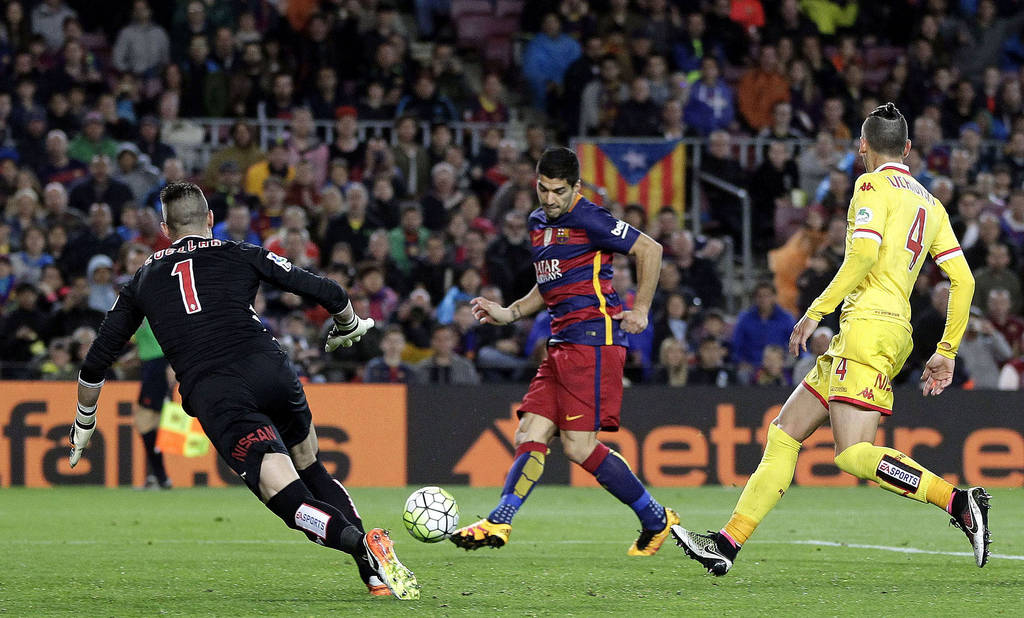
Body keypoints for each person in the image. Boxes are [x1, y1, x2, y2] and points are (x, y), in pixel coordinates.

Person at [671, 103, 991, 575]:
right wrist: (946, 350)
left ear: (862, 146)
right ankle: (726, 542)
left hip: (866, 328)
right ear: (907, 148)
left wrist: (814, 311)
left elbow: (862, 256)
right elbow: (964, 281)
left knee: (853, 454)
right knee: (785, 432)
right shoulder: (932, 203)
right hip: (884, 330)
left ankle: (959, 502)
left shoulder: (870, 185)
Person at [68, 182, 419, 599]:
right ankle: (374, 574)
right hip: (270, 369)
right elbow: (328, 290)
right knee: (310, 465)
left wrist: (84, 422)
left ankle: (362, 545)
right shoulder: (240, 252)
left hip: (218, 391)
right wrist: (348, 324)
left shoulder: (143, 279)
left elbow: (96, 361)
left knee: (284, 496)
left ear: (165, 229)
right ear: (210, 219)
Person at [450, 147, 680, 555]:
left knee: (578, 446)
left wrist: (642, 309)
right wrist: (510, 312)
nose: (550, 199)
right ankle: (499, 520)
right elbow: (550, 282)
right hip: (561, 344)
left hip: (594, 342)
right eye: (543, 189)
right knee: (529, 432)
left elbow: (651, 249)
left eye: (559, 191)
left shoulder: (591, 218)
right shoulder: (537, 222)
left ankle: (656, 519)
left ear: (576, 187)